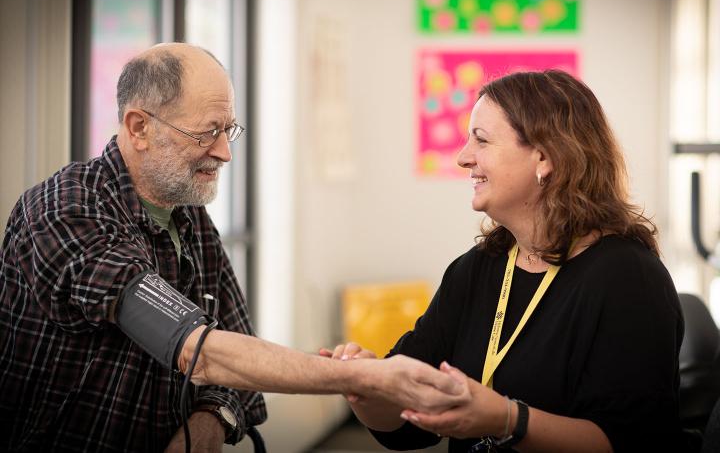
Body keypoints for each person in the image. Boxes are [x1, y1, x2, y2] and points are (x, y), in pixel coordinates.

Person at [0, 43, 470, 453]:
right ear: (139, 127)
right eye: (207, 132)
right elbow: (200, 352)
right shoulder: (65, 210)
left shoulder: (190, 216)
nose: (225, 152)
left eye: (230, 130)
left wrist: (212, 420)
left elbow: (233, 350)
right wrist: (360, 377)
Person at [323, 70, 684, 452]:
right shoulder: (477, 269)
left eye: (481, 140)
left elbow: (633, 443)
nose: (463, 158)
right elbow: (408, 423)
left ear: (545, 156)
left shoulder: (630, 279)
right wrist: (367, 387)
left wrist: (506, 419)